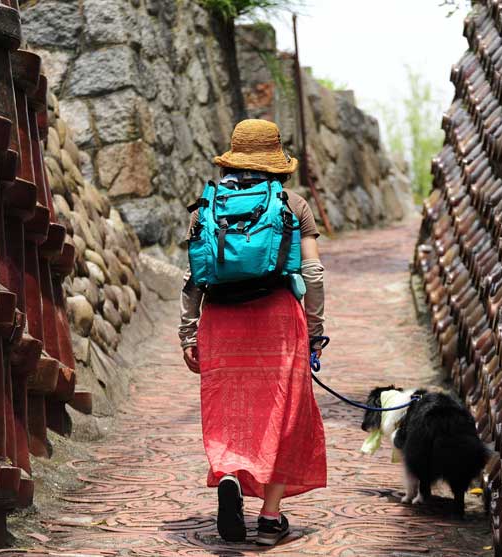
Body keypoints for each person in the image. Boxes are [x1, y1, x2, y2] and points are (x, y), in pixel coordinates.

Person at [179, 119, 327, 547]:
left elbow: (193, 277)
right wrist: (315, 330)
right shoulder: (293, 204)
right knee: (284, 415)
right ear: (277, 161)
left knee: (228, 410)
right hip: (278, 319)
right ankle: (269, 516)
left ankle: (228, 474)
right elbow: (313, 274)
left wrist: (189, 333)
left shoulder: (205, 206)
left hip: (221, 322)